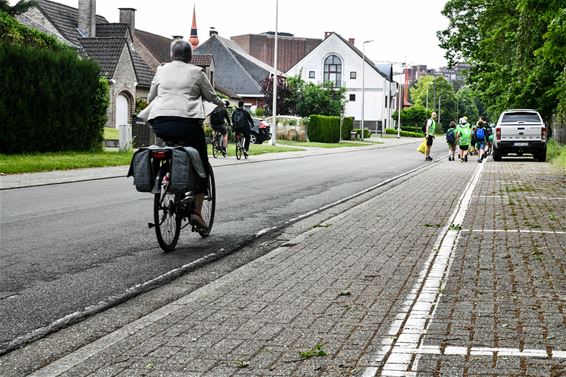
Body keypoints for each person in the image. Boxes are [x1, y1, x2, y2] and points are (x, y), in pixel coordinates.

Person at [146, 39, 224, 230]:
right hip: (187, 125)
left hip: (161, 124)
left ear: (171, 55)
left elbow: (150, 98)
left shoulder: (160, 70)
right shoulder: (197, 73)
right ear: (190, 57)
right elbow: (212, 97)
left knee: (168, 147)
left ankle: (166, 178)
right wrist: (222, 104)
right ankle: (196, 212)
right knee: (202, 164)